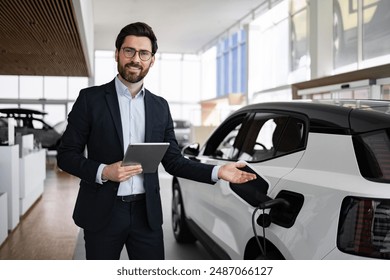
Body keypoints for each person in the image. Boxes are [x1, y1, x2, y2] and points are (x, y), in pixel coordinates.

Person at [57, 22, 256, 260]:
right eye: (129, 51)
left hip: (146, 214)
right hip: (102, 213)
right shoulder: (91, 99)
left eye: (144, 53)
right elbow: (66, 155)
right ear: (117, 54)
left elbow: (173, 161)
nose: (135, 59)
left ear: (152, 60)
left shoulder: (160, 106)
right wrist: (104, 171)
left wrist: (218, 172)